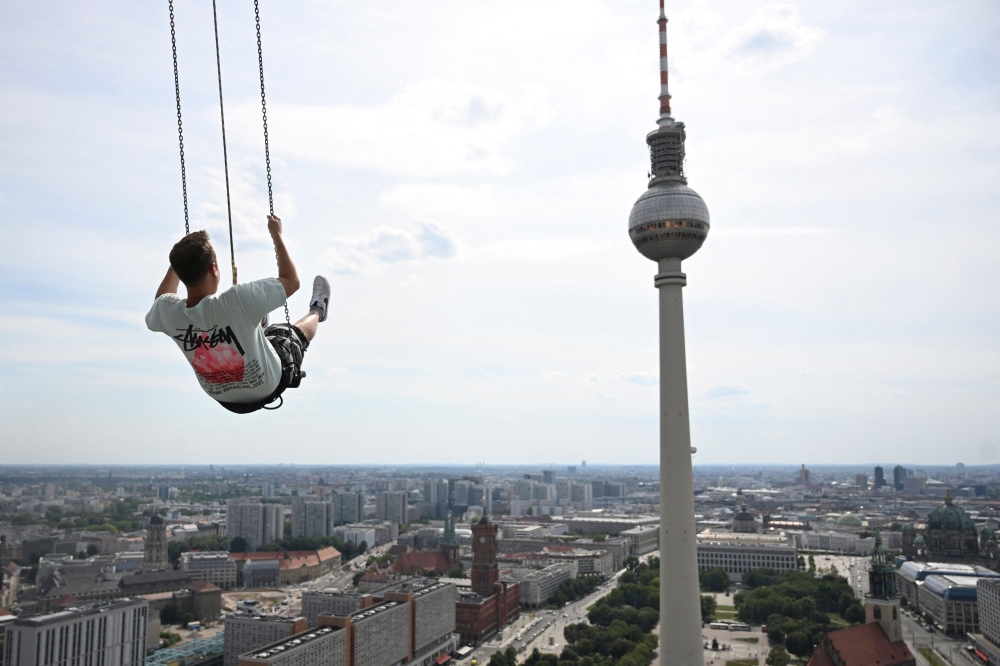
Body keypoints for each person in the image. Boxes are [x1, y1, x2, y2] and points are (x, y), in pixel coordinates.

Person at [146, 214, 330, 413]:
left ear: (179, 273)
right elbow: (291, 281)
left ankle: (257, 323)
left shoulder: (169, 312)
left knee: (243, 325)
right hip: (266, 385)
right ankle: (318, 310)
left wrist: (180, 262)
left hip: (222, 395)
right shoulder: (235, 300)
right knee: (287, 333)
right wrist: (276, 234)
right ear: (214, 269)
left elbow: (161, 300)